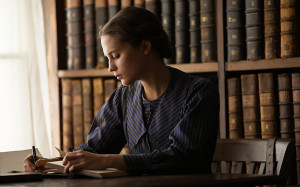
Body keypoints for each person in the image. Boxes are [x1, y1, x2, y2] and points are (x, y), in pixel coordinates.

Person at [24, 6, 219, 175]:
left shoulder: (199, 92)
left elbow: (181, 158)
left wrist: (109, 161)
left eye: (115, 55)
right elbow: (95, 150)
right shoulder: (123, 97)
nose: (110, 67)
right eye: (108, 58)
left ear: (145, 46)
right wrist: (49, 163)